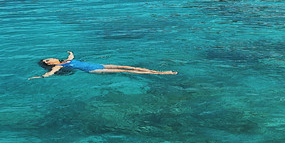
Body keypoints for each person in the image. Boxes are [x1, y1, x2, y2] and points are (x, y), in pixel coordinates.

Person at [30, 51, 177, 79]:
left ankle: (154, 71)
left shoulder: (65, 61)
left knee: (129, 67)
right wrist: (39, 77)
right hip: (94, 70)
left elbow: (72, 57)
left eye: (48, 59)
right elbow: (49, 73)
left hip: (99, 64)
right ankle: (162, 73)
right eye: (47, 61)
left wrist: (70, 53)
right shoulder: (58, 67)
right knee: (128, 71)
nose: (49, 60)